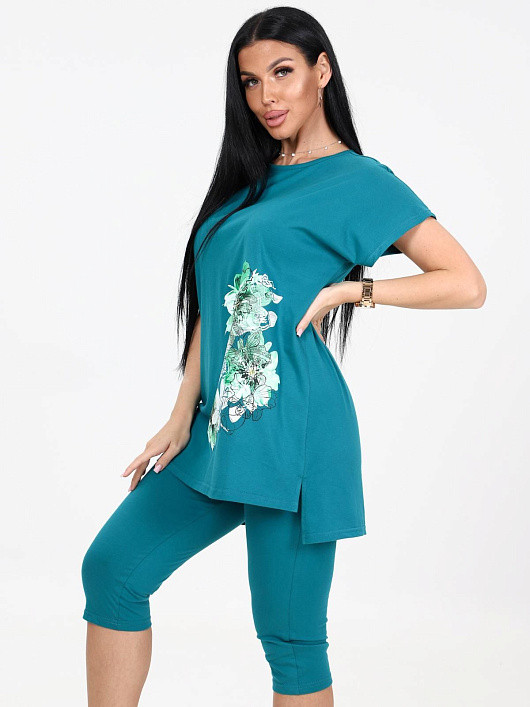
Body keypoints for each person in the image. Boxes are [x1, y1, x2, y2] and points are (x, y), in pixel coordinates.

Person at [81, 7, 487, 705]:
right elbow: (220, 304)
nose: (266, 96)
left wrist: (353, 290)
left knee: (290, 642)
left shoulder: (360, 181)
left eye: (282, 72)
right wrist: (180, 413)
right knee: (113, 570)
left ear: (321, 71)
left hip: (297, 432)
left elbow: (466, 283)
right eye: (250, 81)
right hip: (219, 430)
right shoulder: (251, 179)